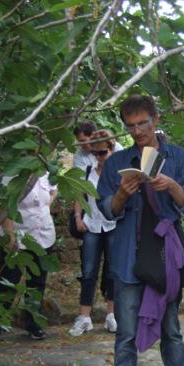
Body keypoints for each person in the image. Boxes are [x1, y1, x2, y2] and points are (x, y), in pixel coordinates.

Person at [97, 94, 184, 366]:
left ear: (156, 119)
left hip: (165, 254)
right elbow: (107, 210)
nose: (138, 131)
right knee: (126, 330)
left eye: (143, 123)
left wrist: (171, 186)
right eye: (130, 126)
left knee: (171, 326)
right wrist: (121, 194)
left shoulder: (177, 157)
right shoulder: (117, 162)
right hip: (128, 255)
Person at [0, 175, 57, 342]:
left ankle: (33, 323)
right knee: (9, 282)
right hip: (19, 235)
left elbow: (53, 190)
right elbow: (3, 205)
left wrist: (44, 208)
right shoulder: (11, 176)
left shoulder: (45, 173)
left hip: (43, 234)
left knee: (37, 283)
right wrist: (10, 234)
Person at [69, 130, 118, 337]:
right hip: (91, 225)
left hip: (113, 226)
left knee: (113, 271)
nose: (99, 157)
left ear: (111, 149)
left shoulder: (118, 173)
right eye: (96, 153)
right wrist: (78, 218)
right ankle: (84, 317)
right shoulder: (88, 171)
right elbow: (79, 196)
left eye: (103, 152)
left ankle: (112, 315)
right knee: (88, 271)